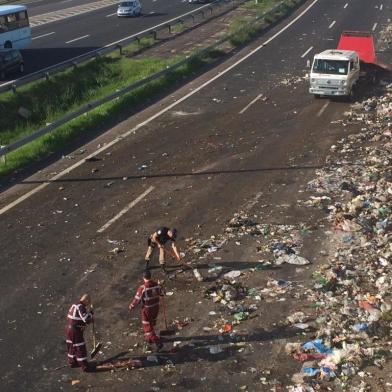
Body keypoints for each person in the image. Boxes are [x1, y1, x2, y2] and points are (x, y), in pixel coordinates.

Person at [129, 270, 164, 352]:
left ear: (143, 277)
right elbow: (162, 294)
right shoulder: (157, 285)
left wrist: (132, 305)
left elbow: (137, 299)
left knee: (147, 327)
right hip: (156, 307)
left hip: (147, 309)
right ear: (150, 276)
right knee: (151, 324)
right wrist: (161, 286)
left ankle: (157, 342)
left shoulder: (142, 288)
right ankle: (149, 339)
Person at [65, 294, 94, 371]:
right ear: (86, 300)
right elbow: (86, 319)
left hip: (68, 328)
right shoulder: (81, 307)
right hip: (75, 330)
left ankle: (72, 362)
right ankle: (84, 366)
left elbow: (77, 317)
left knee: (71, 345)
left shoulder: (74, 305)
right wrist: (91, 313)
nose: (88, 304)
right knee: (80, 346)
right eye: (89, 302)